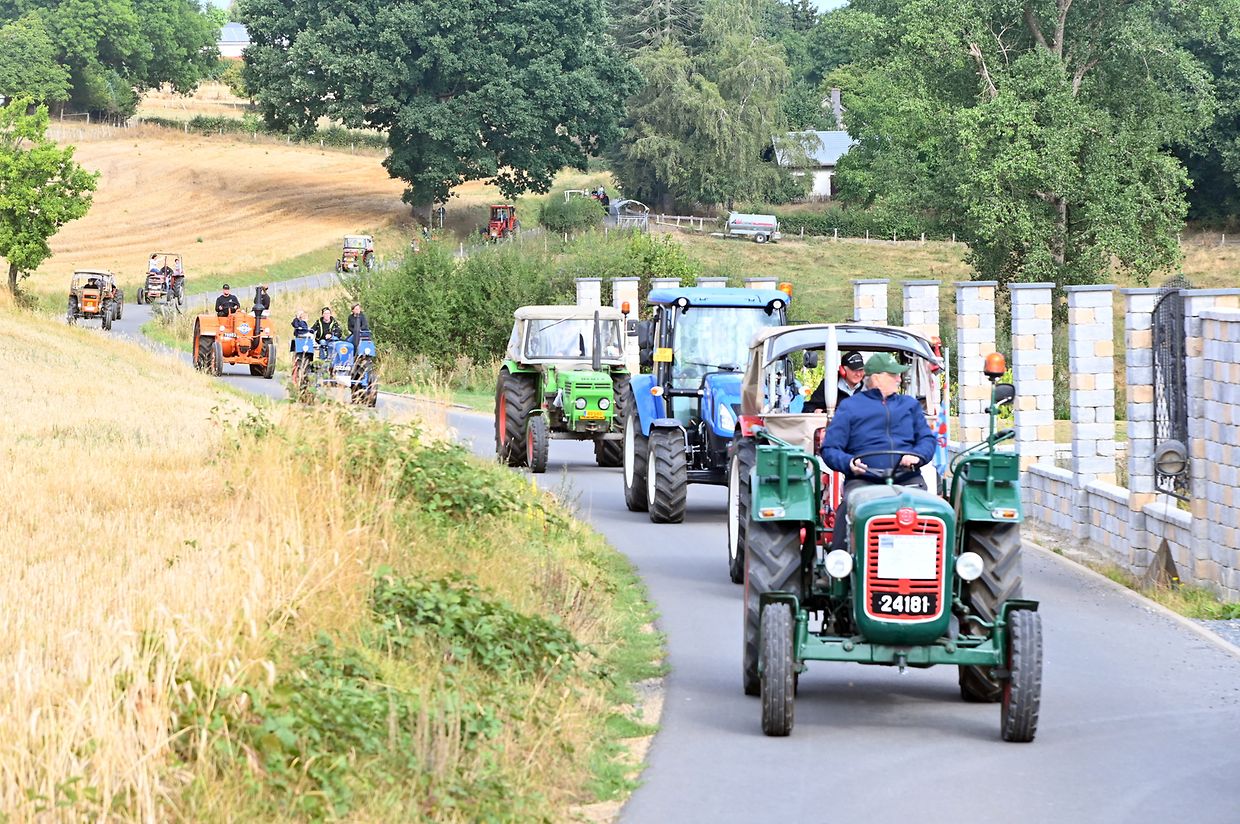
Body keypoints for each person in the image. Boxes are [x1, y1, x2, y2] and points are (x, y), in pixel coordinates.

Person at [819, 352, 936, 553]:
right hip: (864, 480)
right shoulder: (850, 407)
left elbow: (927, 439)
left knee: (933, 513)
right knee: (847, 512)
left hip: (907, 478)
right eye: (893, 375)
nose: (898, 379)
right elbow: (830, 449)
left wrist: (917, 456)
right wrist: (849, 463)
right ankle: (840, 565)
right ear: (876, 378)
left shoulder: (910, 405)